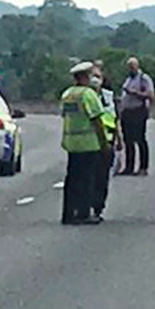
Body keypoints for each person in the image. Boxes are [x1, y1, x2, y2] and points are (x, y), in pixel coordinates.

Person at [60, 61, 110, 225]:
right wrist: (104, 143)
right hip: (88, 143)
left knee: (72, 179)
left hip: (71, 143)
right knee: (87, 180)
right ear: (83, 77)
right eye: (89, 75)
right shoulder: (88, 95)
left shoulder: (67, 94)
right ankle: (83, 213)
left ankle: (68, 213)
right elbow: (97, 120)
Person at [119, 56, 155, 175]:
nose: (130, 69)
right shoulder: (128, 79)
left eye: (132, 66)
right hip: (127, 112)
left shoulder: (143, 78)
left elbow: (150, 95)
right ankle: (129, 167)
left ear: (137, 66)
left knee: (140, 139)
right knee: (128, 140)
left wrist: (135, 93)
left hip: (138, 111)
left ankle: (143, 167)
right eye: (129, 67)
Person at [90, 67, 118, 219]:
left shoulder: (108, 96)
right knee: (89, 177)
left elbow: (114, 117)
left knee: (102, 177)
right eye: (93, 76)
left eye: (98, 76)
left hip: (107, 142)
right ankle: (86, 207)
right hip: (89, 142)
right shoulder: (86, 95)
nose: (95, 80)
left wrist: (119, 140)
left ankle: (98, 208)